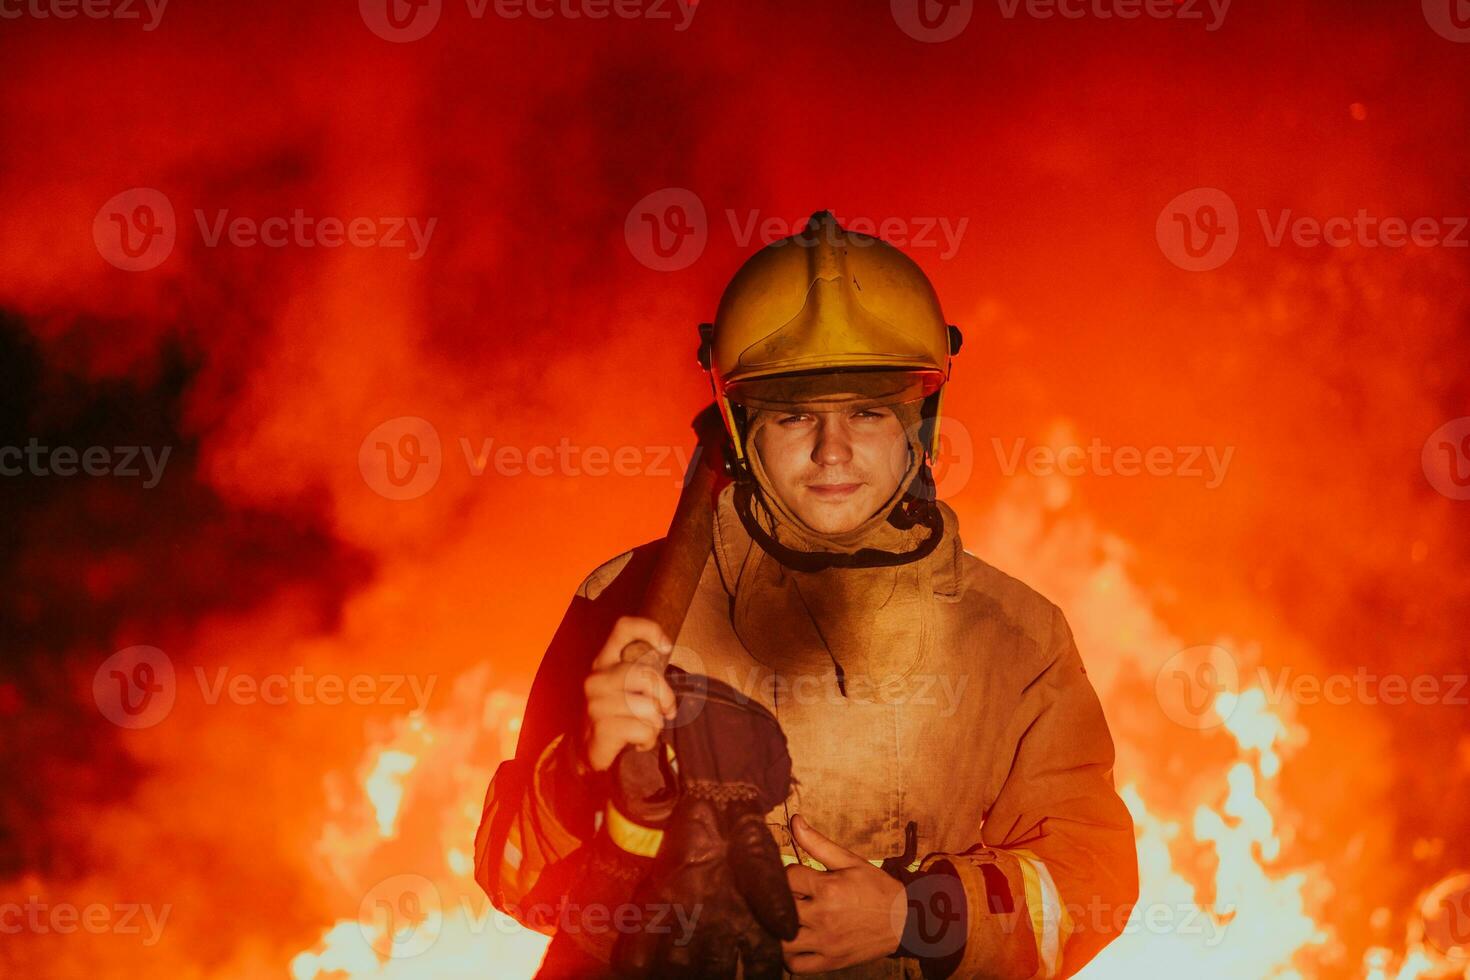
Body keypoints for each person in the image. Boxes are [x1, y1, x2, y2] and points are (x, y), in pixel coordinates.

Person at [474, 211, 1138, 978]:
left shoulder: (1015, 640)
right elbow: (511, 875)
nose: (833, 451)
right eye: (794, 416)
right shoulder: (629, 607)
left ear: (918, 423)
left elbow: (1090, 883)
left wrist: (916, 917)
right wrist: (578, 776)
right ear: (740, 423)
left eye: (866, 412)